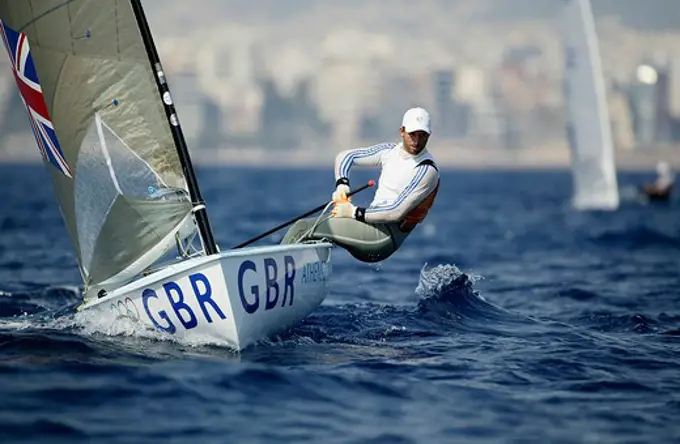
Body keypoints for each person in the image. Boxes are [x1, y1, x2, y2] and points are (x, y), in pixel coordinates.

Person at [281, 107, 440, 262]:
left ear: (429, 135)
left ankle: (273, 280)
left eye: (423, 135)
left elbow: (395, 212)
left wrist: (353, 212)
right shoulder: (388, 151)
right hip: (369, 226)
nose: (417, 141)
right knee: (313, 232)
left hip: (384, 238)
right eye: (412, 134)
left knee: (301, 228)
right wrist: (342, 185)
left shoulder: (426, 170)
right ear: (402, 131)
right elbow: (345, 156)